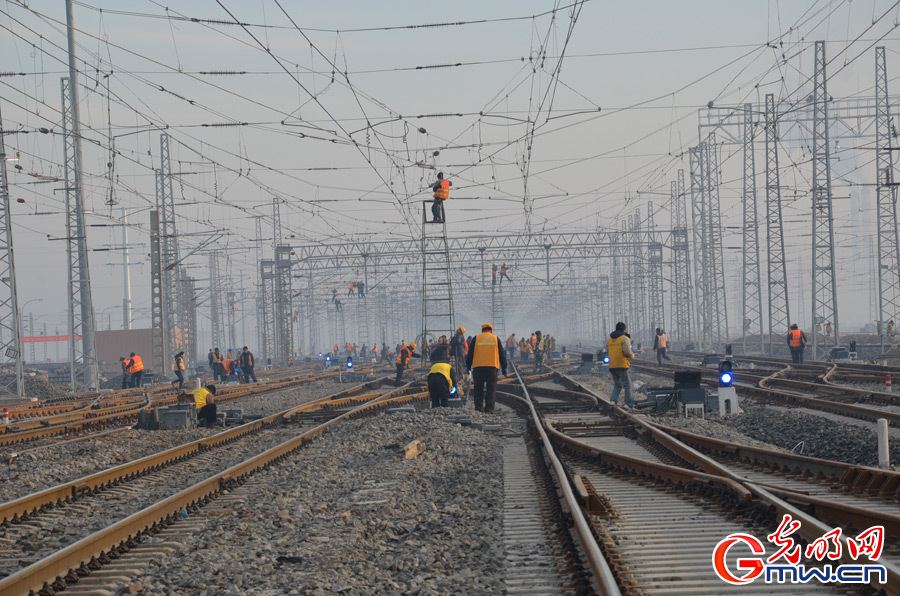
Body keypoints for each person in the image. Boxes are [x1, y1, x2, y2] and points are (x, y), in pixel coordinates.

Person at [466, 323, 507, 414]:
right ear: (491, 330)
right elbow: (502, 354)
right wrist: (504, 368)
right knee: (491, 390)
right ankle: (489, 409)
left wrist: (468, 367)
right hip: (492, 368)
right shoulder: (496, 339)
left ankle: (479, 408)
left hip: (478, 368)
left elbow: (470, 354)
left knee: (478, 389)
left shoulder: (476, 338)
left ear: (482, 330)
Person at [608, 322, 635, 408]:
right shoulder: (624, 338)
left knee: (617, 384)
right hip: (622, 365)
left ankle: (613, 400)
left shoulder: (610, 339)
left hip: (612, 365)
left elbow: (608, 351)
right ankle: (629, 403)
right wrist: (632, 355)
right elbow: (627, 351)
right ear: (624, 329)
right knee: (627, 384)